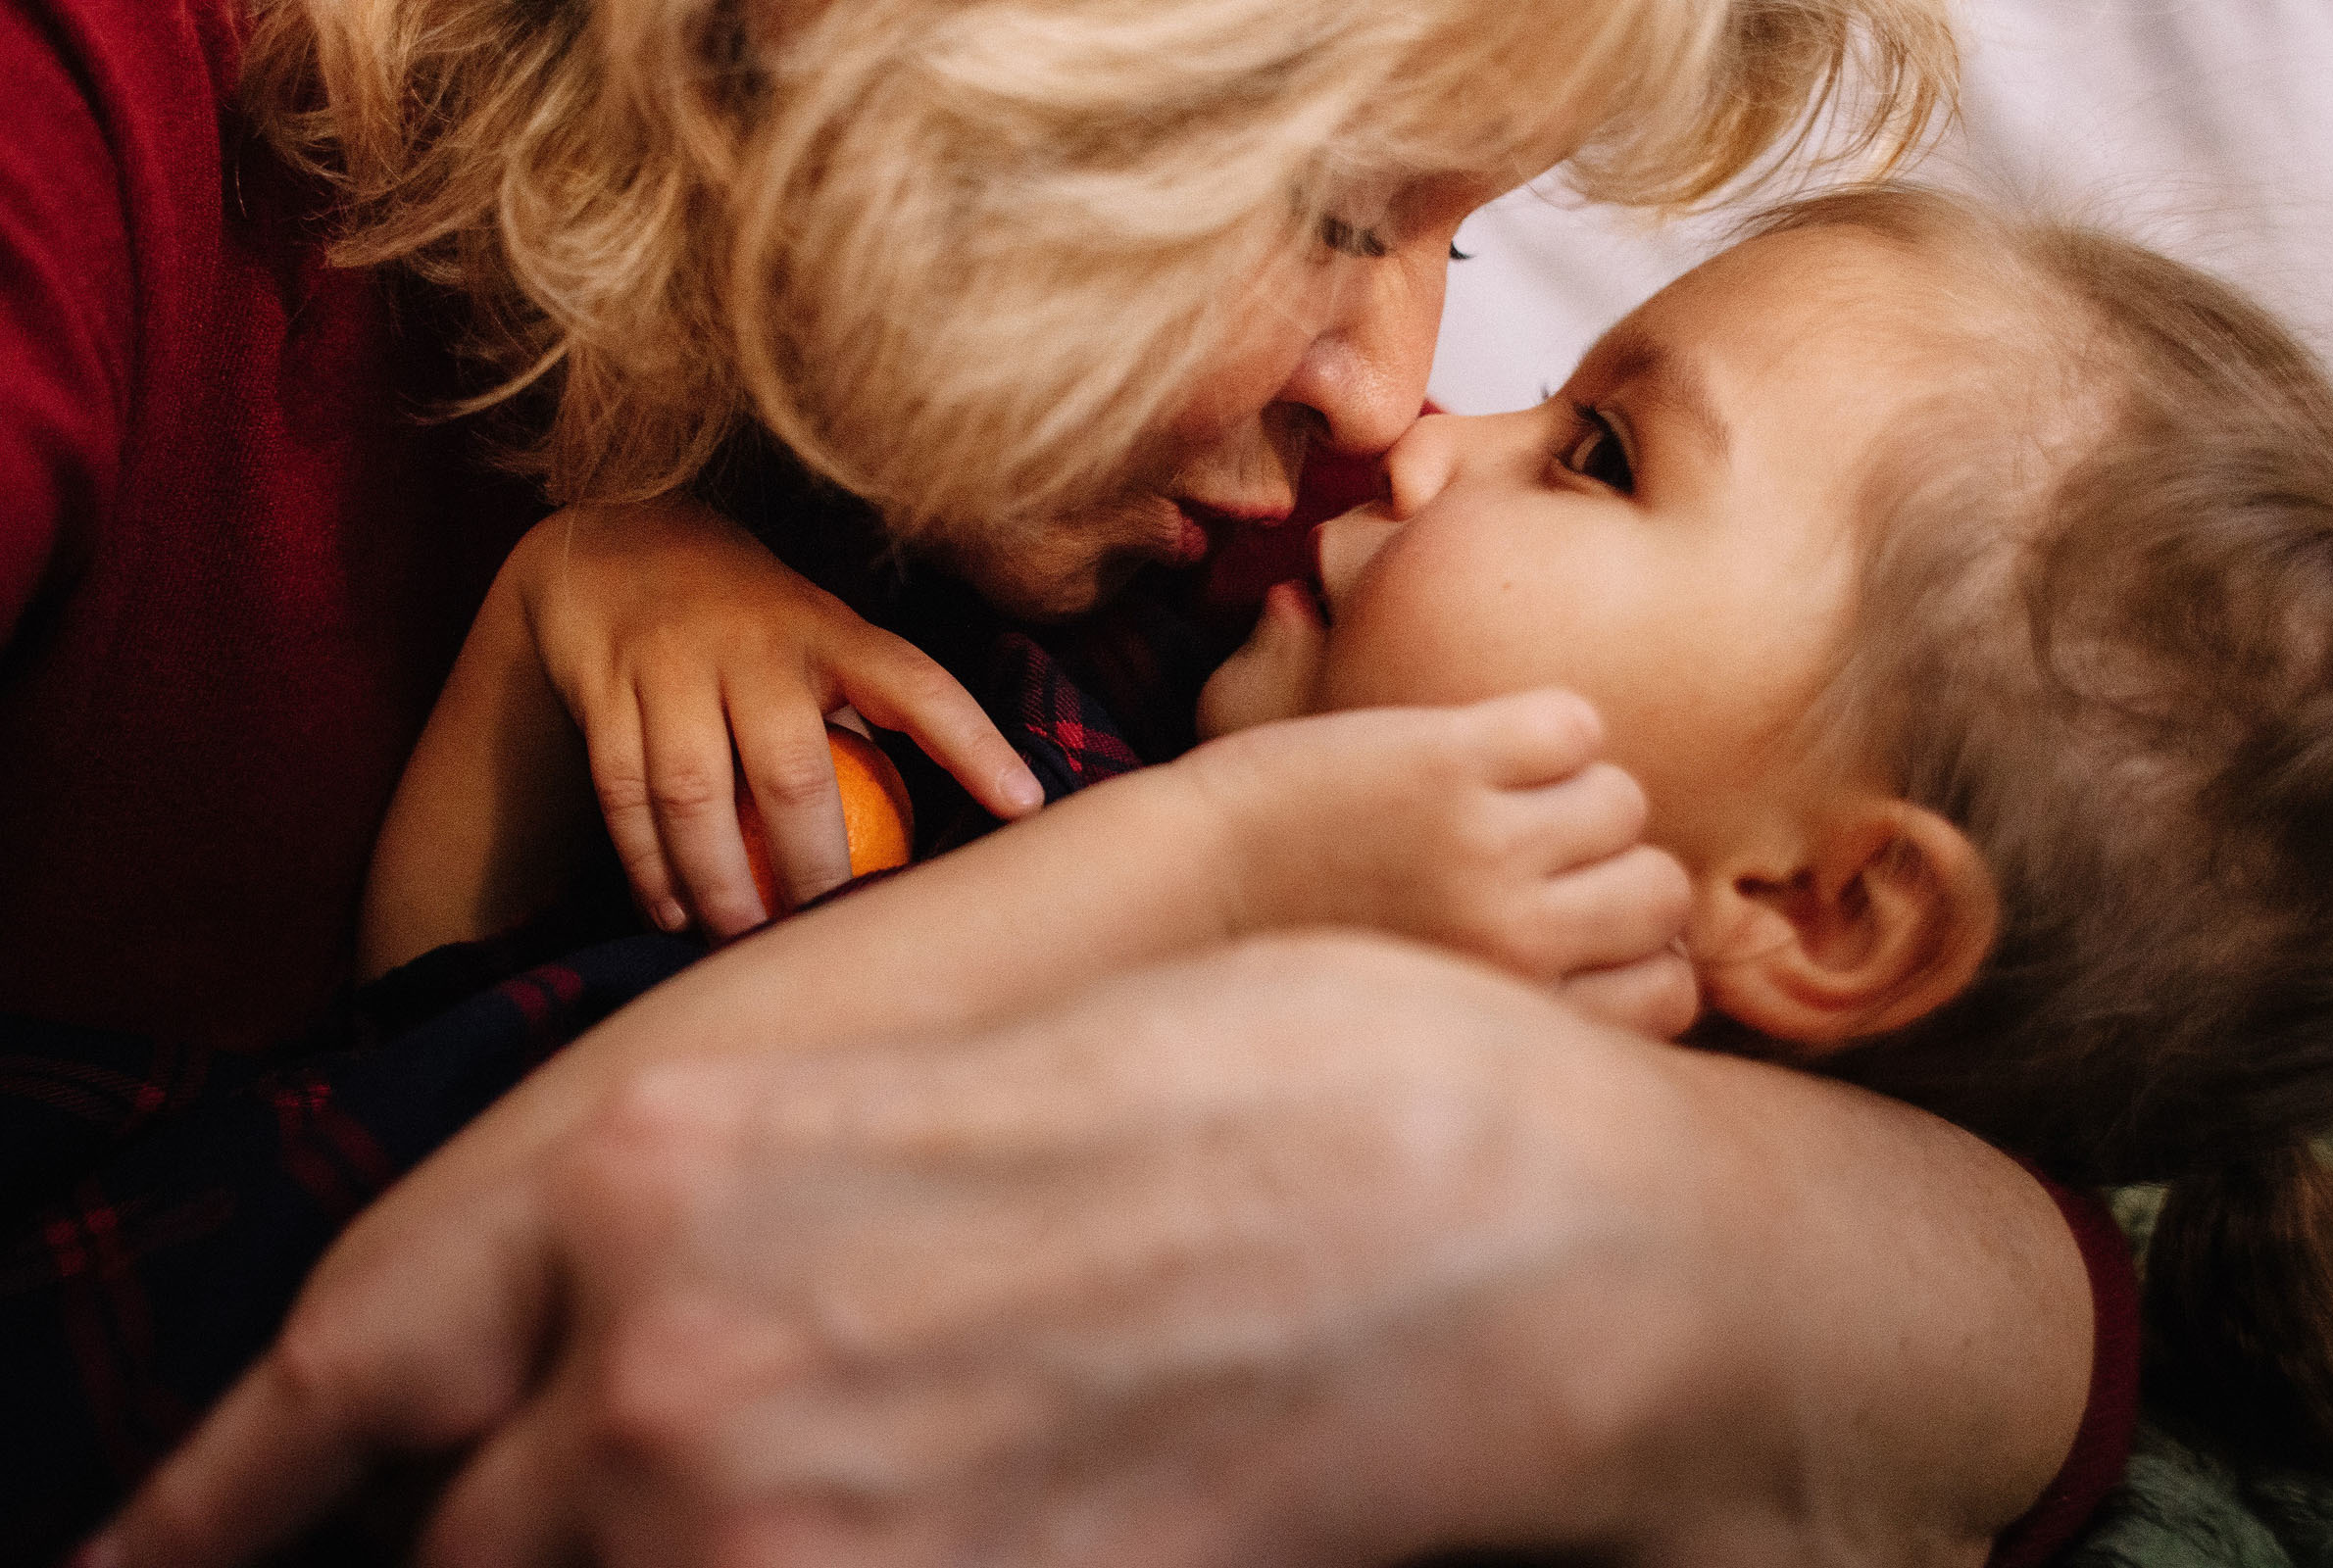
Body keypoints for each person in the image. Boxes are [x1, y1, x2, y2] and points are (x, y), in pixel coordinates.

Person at [3, 0, 2134, 1561]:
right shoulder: (71, 170)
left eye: (1455, 245)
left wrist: (1638, 1221)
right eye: (1329, 208)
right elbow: (451, 1063)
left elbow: (2040, 1137)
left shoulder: (1229, 592)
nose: (1403, 405)